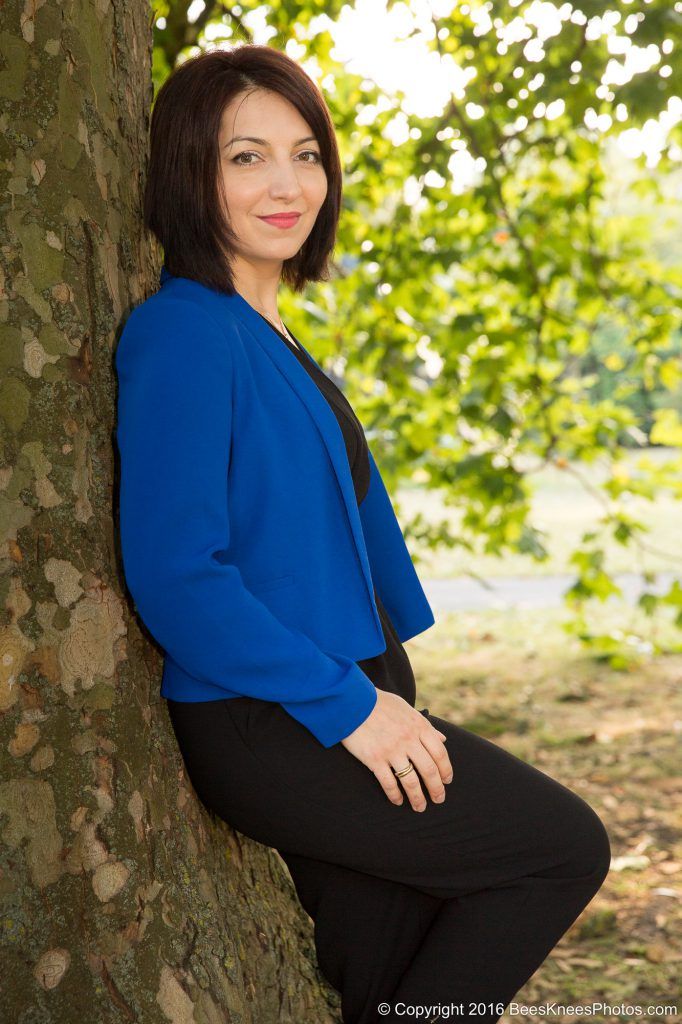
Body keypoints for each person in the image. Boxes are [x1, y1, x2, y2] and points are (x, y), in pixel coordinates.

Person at [115, 44, 611, 1024]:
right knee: (561, 848)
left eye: (306, 153)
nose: (288, 183)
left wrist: (379, 686)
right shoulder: (183, 332)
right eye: (246, 157)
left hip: (340, 690)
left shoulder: (265, 330)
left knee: (387, 977)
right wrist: (352, 706)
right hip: (278, 715)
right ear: (190, 170)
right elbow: (179, 575)